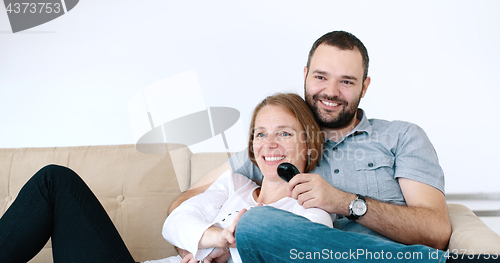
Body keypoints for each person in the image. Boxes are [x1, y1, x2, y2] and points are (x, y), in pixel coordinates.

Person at [169, 30, 453, 261]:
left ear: (364, 87)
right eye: (320, 77)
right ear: (305, 74)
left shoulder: (401, 136)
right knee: (256, 224)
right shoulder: (276, 145)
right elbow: (184, 203)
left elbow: (436, 231)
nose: (330, 91)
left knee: (256, 225)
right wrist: (197, 245)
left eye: (346, 81)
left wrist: (343, 202)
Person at [158, 93, 331, 263]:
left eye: (284, 133)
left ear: (309, 144)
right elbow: (174, 222)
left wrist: (232, 244)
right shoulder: (234, 184)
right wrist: (220, 240)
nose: (269, 144)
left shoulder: (311, 212)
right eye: (261, 134)